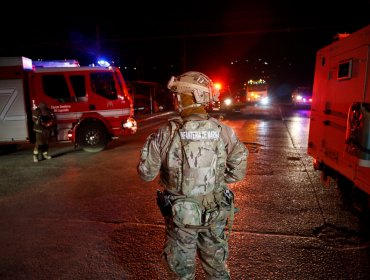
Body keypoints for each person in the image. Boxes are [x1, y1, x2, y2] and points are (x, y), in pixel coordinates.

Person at [137, 71, 248, 279]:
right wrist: (213, 182)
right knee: (217, 269)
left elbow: (146, 174)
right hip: (216, 211)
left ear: (190, 96)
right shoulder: (223, 131)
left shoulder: (166, 133)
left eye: (179, 94)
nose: (176, 98)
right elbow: (239, 171)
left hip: (182, 216)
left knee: (182, 272)